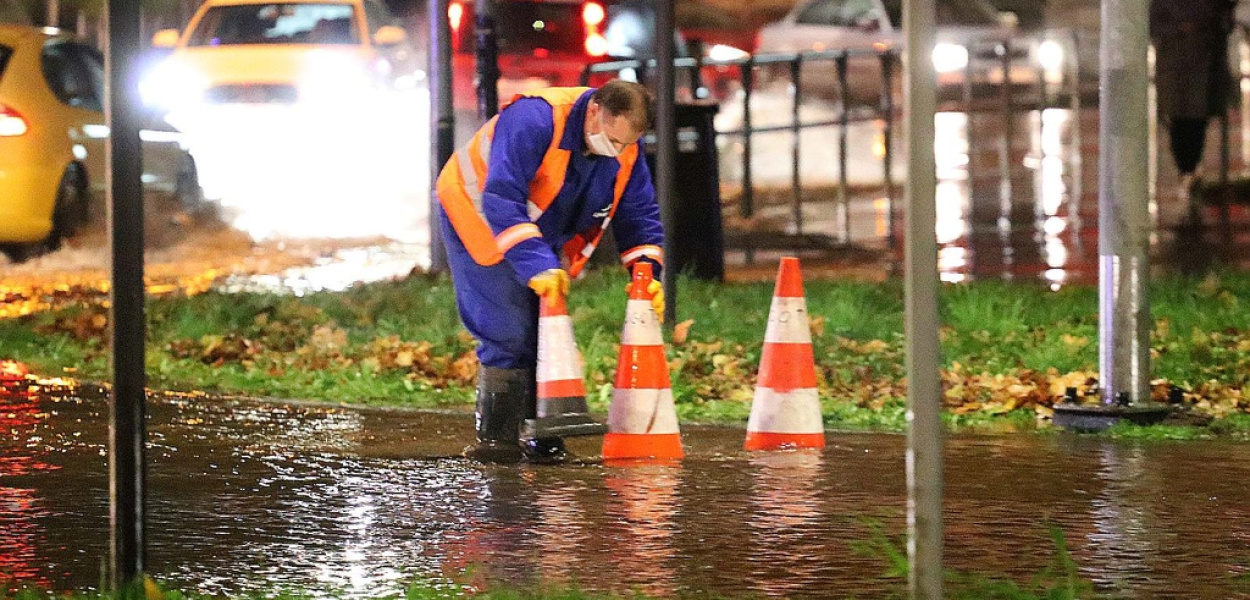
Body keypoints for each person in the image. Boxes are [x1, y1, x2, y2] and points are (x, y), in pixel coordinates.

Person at [435, 80, 665, 463]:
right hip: (475, 212)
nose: (618, 151)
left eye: (627, 144)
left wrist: (646, 274)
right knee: (507, 329)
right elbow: (501, 196)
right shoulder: (535, 119)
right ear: (594, 110)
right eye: (613, 140)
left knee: (544, 332)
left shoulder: (622, 146)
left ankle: (543, 435)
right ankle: (498, 442)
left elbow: (638, 215)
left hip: (536, 224)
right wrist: (537, 262)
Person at [1149, 0, 1237, 219]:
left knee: (1195, 121)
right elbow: (1154, 24)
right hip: (1177, 68)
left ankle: (1189, 171)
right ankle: (1187, 171)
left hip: (1201, 66)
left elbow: (1225, 21)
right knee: (1180, 122)